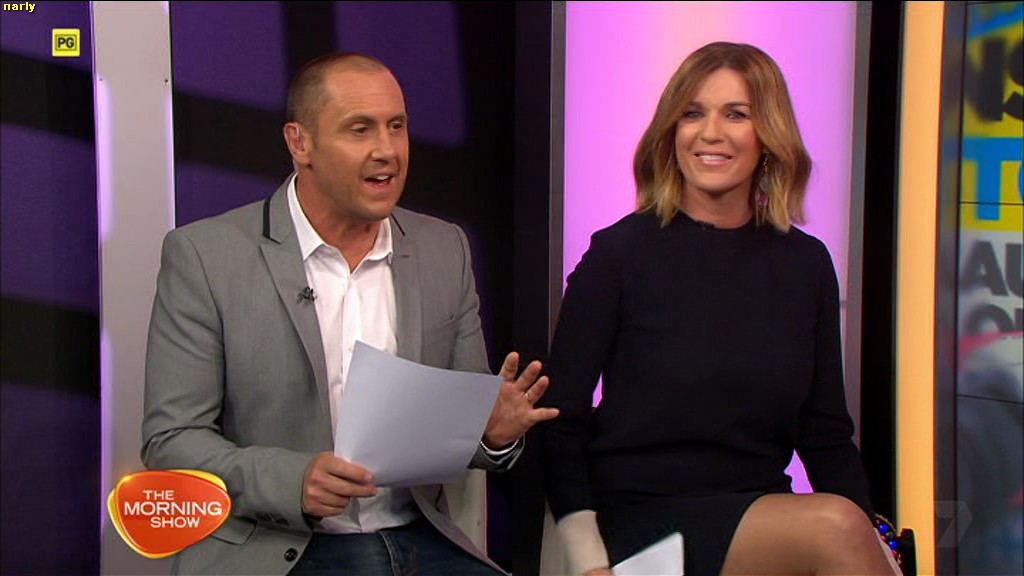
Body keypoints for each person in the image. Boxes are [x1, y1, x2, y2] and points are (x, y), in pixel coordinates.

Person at [142, 51, 558, 576]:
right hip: (280, 547)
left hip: (420, 538)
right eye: (360, 130)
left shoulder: (443, 249)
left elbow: (458, 430)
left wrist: (492, 434)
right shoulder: (206, 256)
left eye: (397, 127)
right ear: (300, 143)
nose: (387, 151)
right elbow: (171, 441)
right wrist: (293, 480)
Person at [539, 42, 901, 576]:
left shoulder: (806, 263)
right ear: (672, 131)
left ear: (769, 135)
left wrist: (877, 543)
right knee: (835, 527)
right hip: (642, 517)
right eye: (693, 113)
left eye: (736, 114)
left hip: (762, 512)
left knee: (845, 528)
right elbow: (559, 422)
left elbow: (824, 432)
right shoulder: (619, 254)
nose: (710, 132)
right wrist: (587, 558)